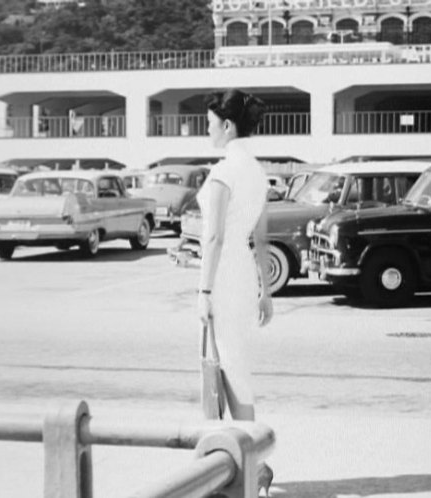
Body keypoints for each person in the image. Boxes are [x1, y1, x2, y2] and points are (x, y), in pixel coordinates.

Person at [196, 89, 274, 492]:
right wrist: (266, 290)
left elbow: (214, 238)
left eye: (210, 122)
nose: (206, 129)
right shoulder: (257, 171)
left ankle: (250, 461)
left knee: (228, 367)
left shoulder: (224, 172)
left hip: (223, 277)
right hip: (245, 276)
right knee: (235, 365)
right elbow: (260, 237)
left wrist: (204, 291)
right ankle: (250, 459)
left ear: (227, 126)